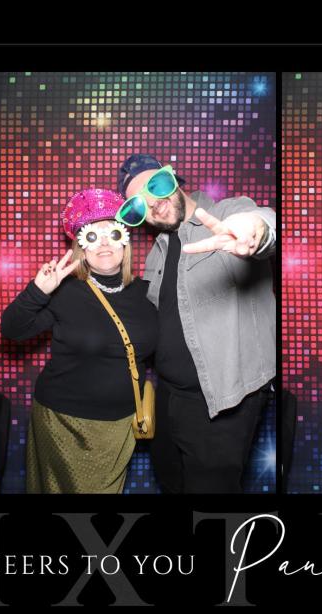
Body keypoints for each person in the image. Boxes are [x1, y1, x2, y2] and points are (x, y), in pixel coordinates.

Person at [117, 154, 275, 494]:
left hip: (223, 400)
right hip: (169, 395)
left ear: (173, 178)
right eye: (138, 204)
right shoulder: (158, 250)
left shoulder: (226, 214)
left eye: (155, 186)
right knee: (171, 482)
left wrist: (255, 231)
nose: (152, 203)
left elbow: (264, 222)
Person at [1, 188, 158, 494]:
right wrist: (38, 291)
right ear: (81, 249)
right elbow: (12, 330)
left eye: (112, 234)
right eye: (92, 236)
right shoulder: (66, 292)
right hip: (62, 423)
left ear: (125, 242)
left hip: (121, 425)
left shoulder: (146, 293)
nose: (103, 243)